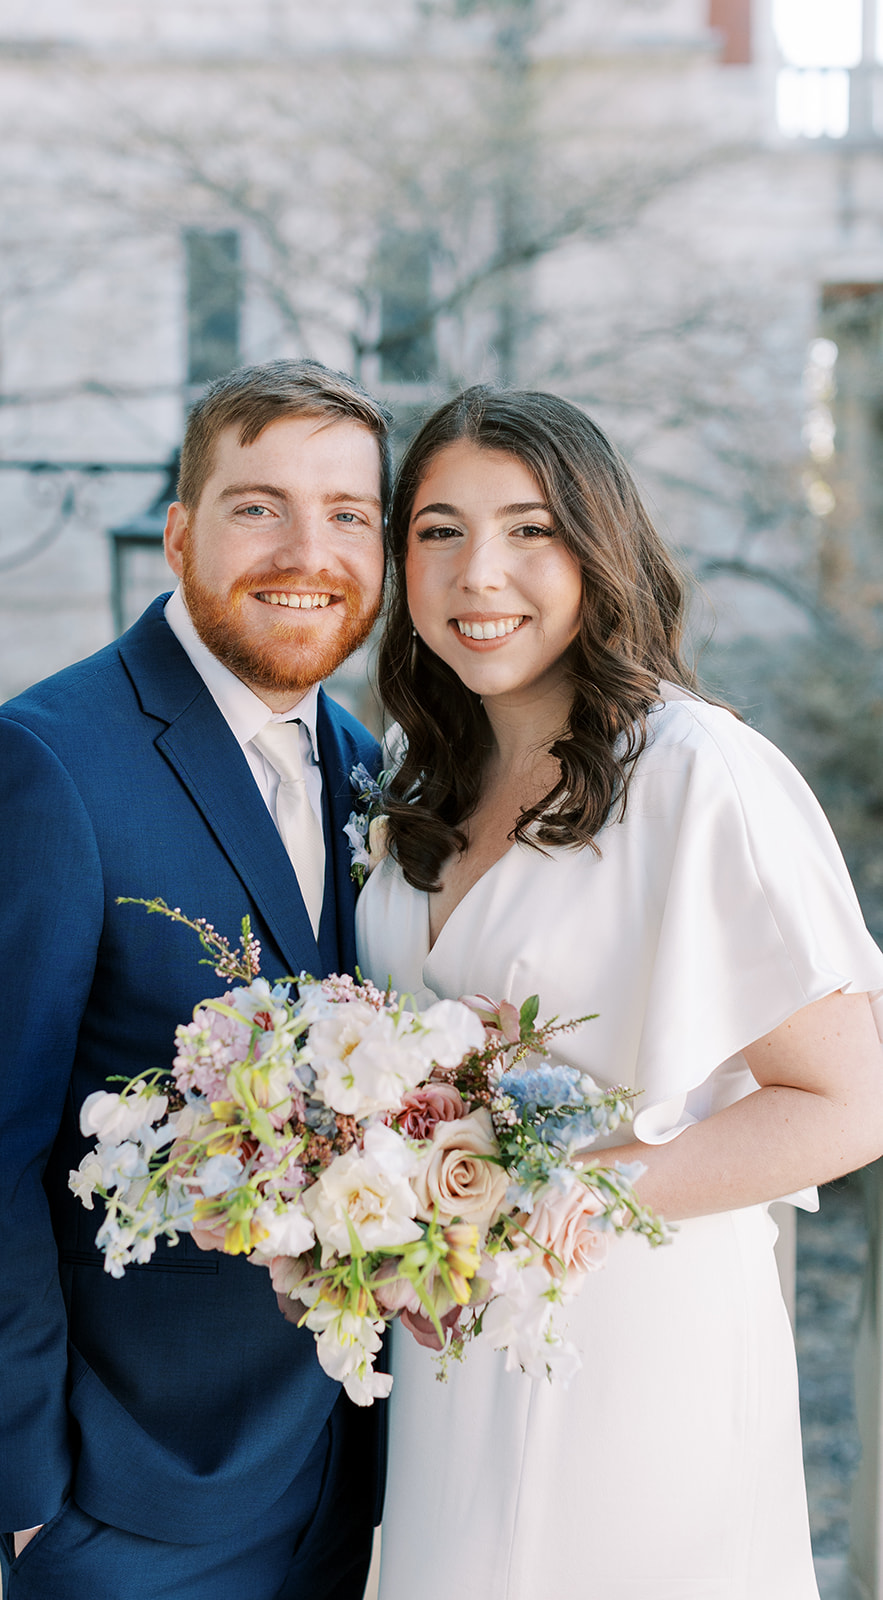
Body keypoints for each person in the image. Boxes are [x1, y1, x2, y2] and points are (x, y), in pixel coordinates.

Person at [355, 386, 883, 1600]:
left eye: (527, 529)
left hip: (637, 1348)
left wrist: (576, 1193)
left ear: (598, 548)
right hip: (447, 1350)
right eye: (438, 530)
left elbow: (851, 1099)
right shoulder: (411, 771)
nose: (478, 572)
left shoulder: (698, 773)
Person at [0, 359, 392, 1600]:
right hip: (125, 1497)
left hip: (339, 1476)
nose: (307, 551)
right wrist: (29, 1502)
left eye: (347, 513)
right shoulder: (36, 767)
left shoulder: (366, 766)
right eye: (257, 506)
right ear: (178, 535)